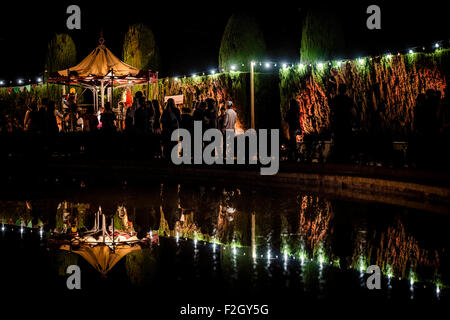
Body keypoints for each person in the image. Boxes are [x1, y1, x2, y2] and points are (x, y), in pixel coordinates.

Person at [329, 83, 356, 162]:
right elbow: (353, 113)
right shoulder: (348, 100)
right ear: (346, 90)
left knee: (338, 143)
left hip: (337, 125)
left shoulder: (334, 100)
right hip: (346, 125)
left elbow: (331, 113)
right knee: (346, 143)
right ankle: (346, 160)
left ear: (338, 89)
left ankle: (338, 160)